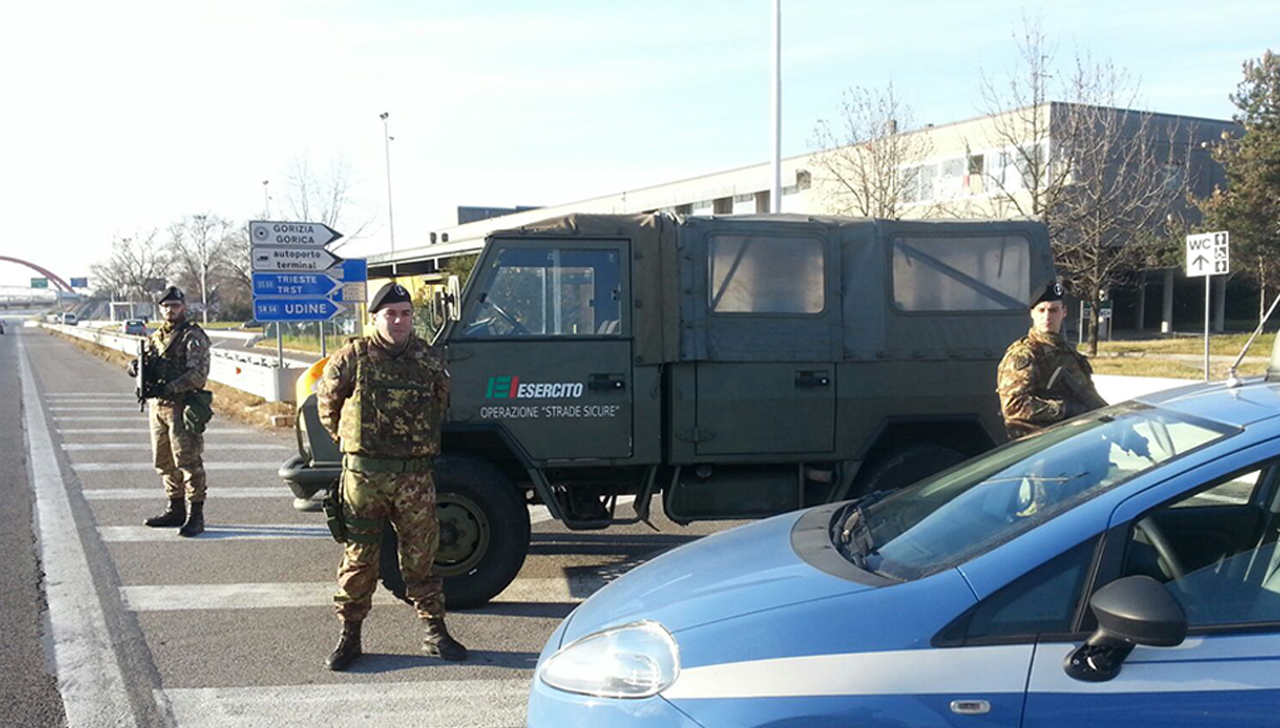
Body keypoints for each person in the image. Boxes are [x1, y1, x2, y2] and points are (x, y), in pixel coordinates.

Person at [316, 281, 466, 671]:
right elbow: (327, 405)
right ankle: (349, 637)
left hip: (415, 477)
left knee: (422, 558)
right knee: (360, 558)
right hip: (365, 479)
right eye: (390, 314)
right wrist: (352, 444)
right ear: (375, 318)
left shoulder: (429, 358)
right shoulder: (352, 357)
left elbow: (440, 402)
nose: (398, 321)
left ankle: (434, 631)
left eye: (405, 314)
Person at [128, 286, 211, 537]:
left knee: (188, 461)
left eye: (175, 305)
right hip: (158, 407)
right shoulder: (156, 336)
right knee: (163, 461)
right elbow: (150, 363)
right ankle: (175, 508)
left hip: (181, 405)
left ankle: (196, 515)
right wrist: (136, 368)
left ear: (183, 307)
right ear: (160, 309)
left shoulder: (191, 336)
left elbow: (198, 374)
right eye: (166, 306)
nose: (170, 310)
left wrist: (170, 387)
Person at [996, 280, 1105, 439]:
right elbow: (1013, 406)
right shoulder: (1024, 355)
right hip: (1039, 447)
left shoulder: (1071, 355)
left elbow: (1090, 398)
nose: (1047, 316)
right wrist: (1065, 409)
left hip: (1071, 441)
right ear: (1032, 313)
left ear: (1064, 312)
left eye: (1054, 310)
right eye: (1041, 310)